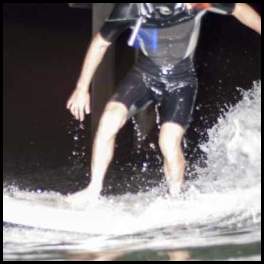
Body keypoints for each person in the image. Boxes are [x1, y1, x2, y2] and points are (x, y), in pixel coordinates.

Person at [66, 3, 261, 202]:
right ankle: (93, 189)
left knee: (168, 141)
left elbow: (238, 9)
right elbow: (100, 43)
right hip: (144, 75)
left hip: (181, 81)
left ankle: (175, 197)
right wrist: (82, 89)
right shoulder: (131, 8)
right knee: (109, 119)